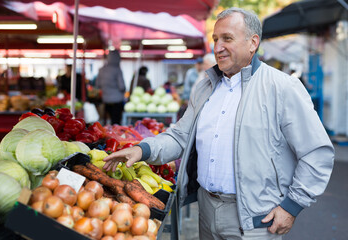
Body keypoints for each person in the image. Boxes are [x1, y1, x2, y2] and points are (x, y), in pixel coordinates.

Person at [103, 7, 334, 240]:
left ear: (253, 43)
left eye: (227, 39)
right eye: (215, 39)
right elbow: (180, 136)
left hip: (255, 221)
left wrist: (291, 206)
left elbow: (317, 152)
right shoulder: (205, 88)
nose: (218, 47)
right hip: (206, 210)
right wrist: (141, 149)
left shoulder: (281, 87)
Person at [95, 50, 126, 125]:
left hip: (106, 100)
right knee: (116, 123)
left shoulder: (101, 70)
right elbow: (122, 86)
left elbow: (97, 84)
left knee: (106, 123)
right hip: (117, 101)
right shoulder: (117, 70)